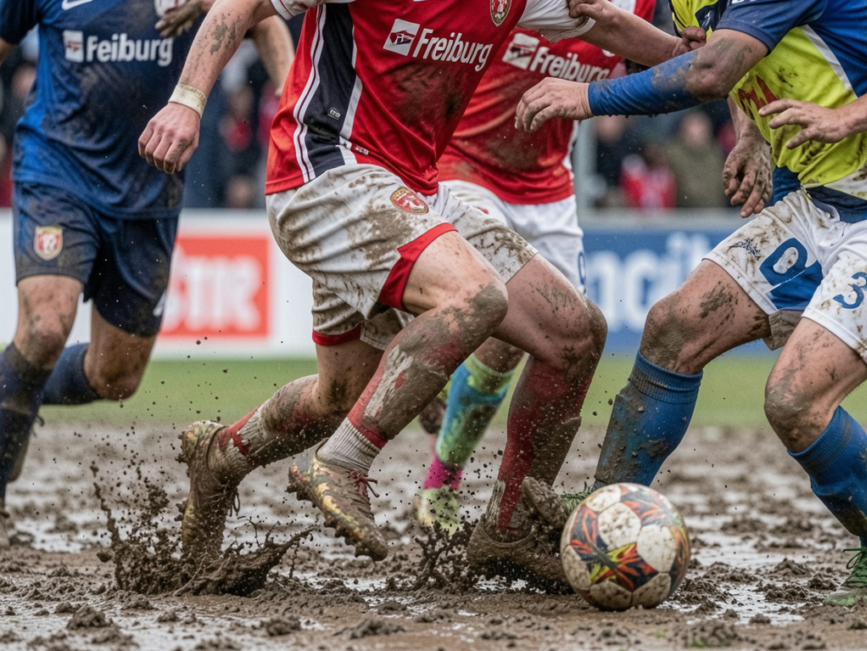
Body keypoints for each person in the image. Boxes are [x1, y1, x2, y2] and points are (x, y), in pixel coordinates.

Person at [515, 0, 867, 605]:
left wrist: (589, 98)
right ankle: (608, 507)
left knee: (793, 400)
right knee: (674, 326)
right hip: (829, 202)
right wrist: (755, 134)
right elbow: (728, 61)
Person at [137, 0, 703, 585]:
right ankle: (343, 463)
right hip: (327, 173)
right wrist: (187, 99)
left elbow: (603, 23)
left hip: (414, 190)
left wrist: (686, 57)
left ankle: (225, 458)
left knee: (570, 334)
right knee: (477, 296)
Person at [412, 7, 770, 535]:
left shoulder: (647, 8)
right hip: (464, 168)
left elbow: (708, 64)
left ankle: (511, 510)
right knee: (508, 323)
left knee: (568, 340)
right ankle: (442, 480)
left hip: (550, 189)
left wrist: (749, 133)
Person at [0, 0, 293, 548]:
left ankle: (11, 386)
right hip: (56, 174)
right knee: (44, 327)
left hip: (151, 190)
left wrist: (291, 104)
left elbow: (266, 19)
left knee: (116, 378)